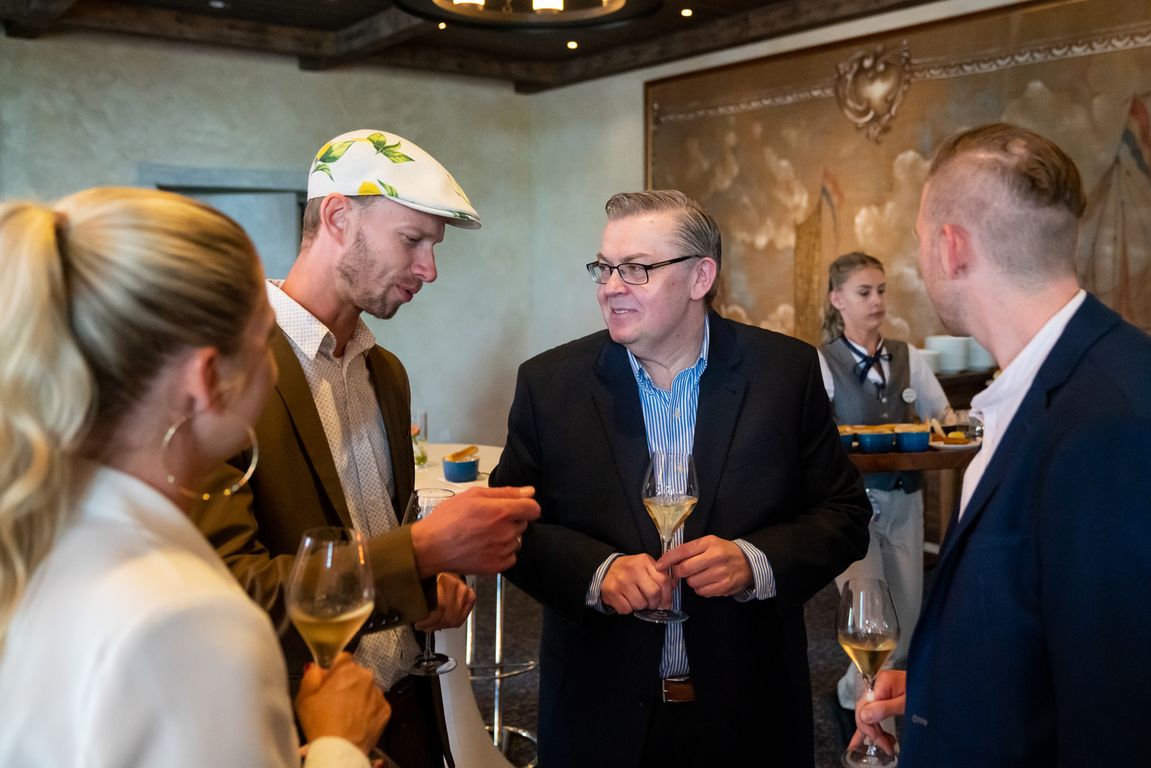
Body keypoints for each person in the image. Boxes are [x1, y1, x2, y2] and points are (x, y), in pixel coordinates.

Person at [0, 187, 389, 767]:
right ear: (206, 380)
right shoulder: (189, 619)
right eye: (265, 339)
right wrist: (339, 744)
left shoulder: (38, 530)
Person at [191, 129, 540, 768]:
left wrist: (426, 581)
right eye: (411, 240)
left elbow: (381, 533)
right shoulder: (227, 372)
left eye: (434, 247)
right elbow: (232, 590)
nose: (429, 269)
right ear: (337, 217)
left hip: (409, 709)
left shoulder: (387, 373)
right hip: (300, 726)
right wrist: (423, 549)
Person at [490, 189, 872, 767]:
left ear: (700, 277)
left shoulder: (784, 373)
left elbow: (843, 514)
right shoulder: (550, 385)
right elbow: (507, 524)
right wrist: (597, 572)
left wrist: (754, 561)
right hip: (601, 711)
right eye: (604, 268)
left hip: (750, 709)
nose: (610, 287)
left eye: (636, 269)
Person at [850, 123, 1151, 765]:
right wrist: (936, 692)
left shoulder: (1110, 422)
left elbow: (1117, 714)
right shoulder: (1050, 387)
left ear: (951, 246)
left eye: (920, 240)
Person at [817, 251, 955, 722]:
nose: (876, 300)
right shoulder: (822, 363)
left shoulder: (907, 356)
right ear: (837, 300)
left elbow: (943, 418)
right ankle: (880, 733)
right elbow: (811, 441)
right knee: (871, 623)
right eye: (864, 292)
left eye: (881, 290)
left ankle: (851, 691)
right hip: (850, 507)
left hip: (904, 499)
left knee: (907, 622)